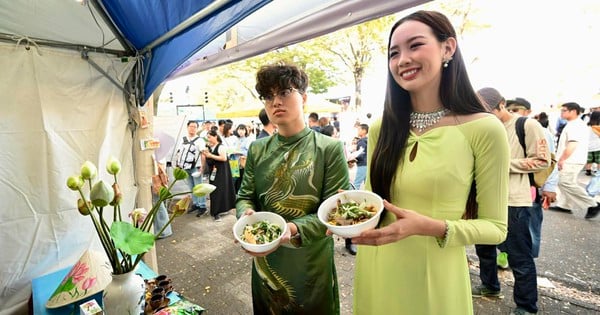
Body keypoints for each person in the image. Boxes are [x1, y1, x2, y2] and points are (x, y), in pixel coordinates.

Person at [349, 11, 509, 315]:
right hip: (376, 265)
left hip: (436, 271)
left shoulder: (484, 128)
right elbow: (372, 200)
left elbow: (496, 228)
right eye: (394, 53)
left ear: (448, 48)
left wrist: (432, 227)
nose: (403, 59)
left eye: (415, 46)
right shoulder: (381, 126)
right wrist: (346, 215)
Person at [236, 63, 350, 314]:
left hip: (311, 262)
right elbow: (245, 196)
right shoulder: (258, 149)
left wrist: (294, 229)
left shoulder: (329, 149)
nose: (275, 102)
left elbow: (336, 214)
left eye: (285, 92)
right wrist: (245, 217)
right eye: (268, 96)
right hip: (266, 257)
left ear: (304, 98)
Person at [475, 88, 550, 315]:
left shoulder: (527, 125)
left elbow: (542, 160)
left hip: (514, 200)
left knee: (519, 256)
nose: (486, 117)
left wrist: (503, 164)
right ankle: (490, 286)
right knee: (484, 249)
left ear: (502, 104)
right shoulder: (484, 128)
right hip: (485, 198)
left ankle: (526, 306)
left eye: (489, 111)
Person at [550, 102, 600, 219]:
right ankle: (565, 205)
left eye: (564, 110)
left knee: (564, 182)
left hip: (572, 160)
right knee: (568, 182)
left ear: (573, 111)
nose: (561, 113)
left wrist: (562, 159)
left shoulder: (575, 125)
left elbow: (572, 144)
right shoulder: (575, 124)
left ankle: (592, 204)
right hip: (574, 159)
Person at [202, 129, 236, 221]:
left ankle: (218, 211)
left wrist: (210, 155)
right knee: (214, 190)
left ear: (215, 136)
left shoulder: (221, 147)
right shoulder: (209, 147)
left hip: (222, 172)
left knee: (220, 190)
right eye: (207, 137)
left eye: (209, 137)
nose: (208, 139)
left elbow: (224, 158)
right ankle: (216, 210)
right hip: (213, 172)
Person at [175, 120, 207, 214]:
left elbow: (203, 154)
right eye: (191, 126)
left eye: (194, 127)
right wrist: (178, 163)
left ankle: (202, 206)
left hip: (196, 167)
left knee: (199, 187)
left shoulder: (200, 140)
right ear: (187, 127)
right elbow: (179, 152)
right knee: (191, 187)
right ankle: (196, 204)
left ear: (197, 129)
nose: (192, 128)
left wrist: (202, 166)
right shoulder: (183, 139)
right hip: (185, 167)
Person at [584, 111, 600, 176]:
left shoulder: (587, 126)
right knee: (599, 160)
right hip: (598, 146)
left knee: (589, 160)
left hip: (588, 146)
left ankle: (588, 171)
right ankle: (598, 171)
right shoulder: (598, 127)